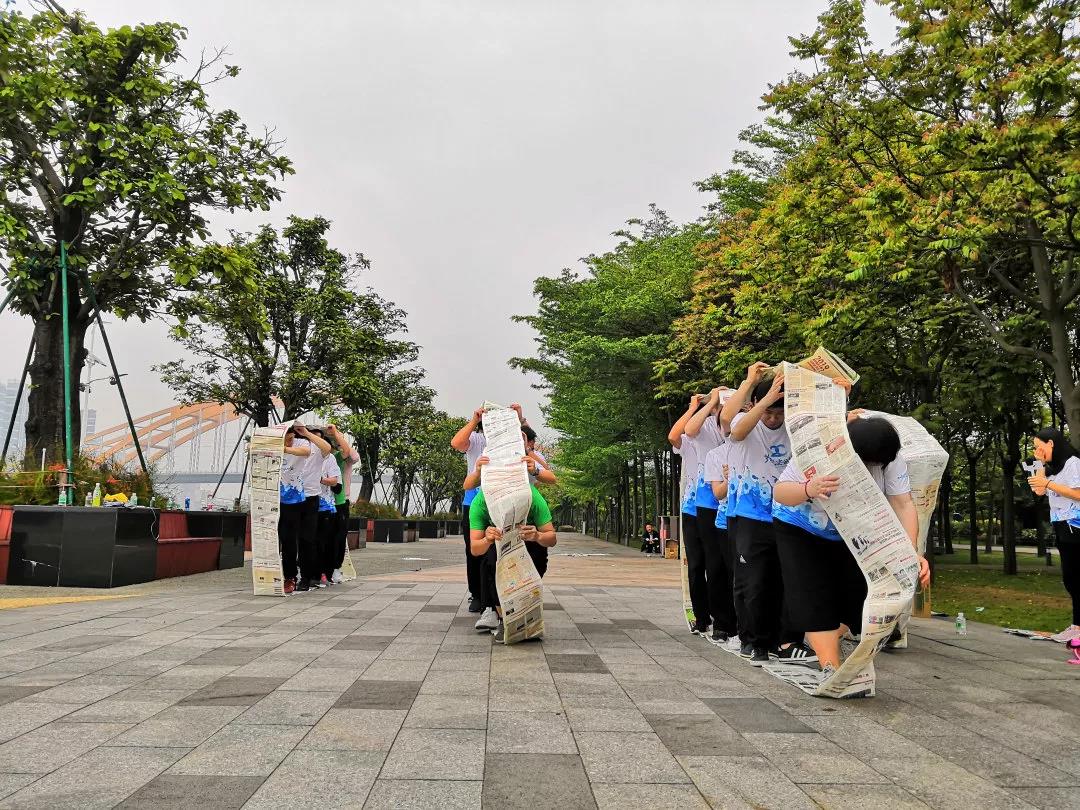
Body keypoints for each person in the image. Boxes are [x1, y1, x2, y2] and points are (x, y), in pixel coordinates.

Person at [772, 416, 928, 672]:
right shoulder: (818, 450)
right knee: (812, 593)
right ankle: (831, 668)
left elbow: (903, 504)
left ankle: (824, 641)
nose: (869, 469)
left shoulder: (890, 459)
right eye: (865, 462)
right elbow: (780, 492)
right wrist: (808, 488)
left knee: (857, 596)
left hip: (849, 530)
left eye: (875, 465)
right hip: (799, 526)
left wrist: (910, 553)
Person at [719, 363, 814, 665]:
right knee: (754, 582)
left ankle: (786, 642)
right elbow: (732, 426)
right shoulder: (746, 423)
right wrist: (759, 392)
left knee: (790, 579)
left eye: (779, 413)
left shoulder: (795, 429)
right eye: (769, 413)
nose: (773, 419)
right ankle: (754, 640)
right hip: (749, 516)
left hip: (788, 515)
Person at [469, 483, 558, 637]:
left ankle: (527, 613)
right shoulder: (481, 502)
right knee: (489, 562)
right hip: (499, 545)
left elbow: (552, 539)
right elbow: (475, 549)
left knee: (534, 562)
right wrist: (487, 539)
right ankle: (502, 618)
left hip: (530, 545)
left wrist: (538, 535)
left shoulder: (532, 496)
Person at [686, 387, 735, 647]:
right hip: (708, 504)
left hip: (737, 504)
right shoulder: (705, 428)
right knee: (713, 564)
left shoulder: (746, 429)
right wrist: (712, 400)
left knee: (735, 566)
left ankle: (738, 620)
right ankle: (720, 622)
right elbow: (686, 430)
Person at [1027, 427, 1080, 644]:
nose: (1036, 451)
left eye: (1039, 447)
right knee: (1071, 579)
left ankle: (1078, 628)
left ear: (1051, 443)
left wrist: (1048, 483)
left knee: (1076, 578)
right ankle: (1077, 627)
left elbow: (1078, 493)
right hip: (1061, 526)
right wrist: (1040, 465)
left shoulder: (1073, 464)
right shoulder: (1053, 469)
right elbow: (1039, 491)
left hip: (1075, 526)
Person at [668, 393, 711, 635]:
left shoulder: (723, 433)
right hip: (692, 509)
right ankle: (701, 617)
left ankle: (722, 615)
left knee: (718, 565)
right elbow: (673, 436)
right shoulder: (689, 440)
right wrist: (693, 407)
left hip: (719, 508)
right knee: (696, 565)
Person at [451, 407, 490, 613]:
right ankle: (476, 593)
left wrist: (518, 419)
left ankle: (493, 594)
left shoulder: (509, 440)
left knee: (496, 547)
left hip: (499, 499)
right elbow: (456, 443)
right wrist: (474, 420)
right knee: (473, 548)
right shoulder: (476, 439)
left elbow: (527, 442)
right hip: (473, 500)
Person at [702, 436, 739, 648]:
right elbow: (718, 493)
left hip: (764, 520)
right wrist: (729, 479)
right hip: (726, 521)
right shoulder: (716, 454)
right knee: (721, 573)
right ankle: (724, 625)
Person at [296, 424, 333, 590]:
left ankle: (307, 577)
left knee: (307, 539)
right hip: (291, 498)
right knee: (290, 539)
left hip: (311, 498)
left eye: (318, 437)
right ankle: (290, 576)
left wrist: (308, 434)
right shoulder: (297, 447)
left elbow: (327, 448)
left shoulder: (319, 451)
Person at [279, 425, 311, 595]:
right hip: (273, 497)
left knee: (290, 539)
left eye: (290, 439)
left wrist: (285, 449)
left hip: (294, 498)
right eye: (285, 440)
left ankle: (291, 577)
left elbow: (306, 452)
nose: (288, 442)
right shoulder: (273, 441)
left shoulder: (301, 443)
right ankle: (273, 573)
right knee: (277, 538)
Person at [326, 424, 359, 583]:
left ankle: (335, 568)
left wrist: (336, 434)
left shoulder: (343, 457)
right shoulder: (325, 456)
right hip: (323, 501)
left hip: (340, 501)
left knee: (339, 537)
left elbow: (351, 455)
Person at [316, 448, 341, 584]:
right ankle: (310, 573)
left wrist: (320, 479)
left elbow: (336, 484)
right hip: (305, 503)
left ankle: (324, 572)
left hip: (326, 506)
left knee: (324, 542)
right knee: (308, 540)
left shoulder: (330, 458)